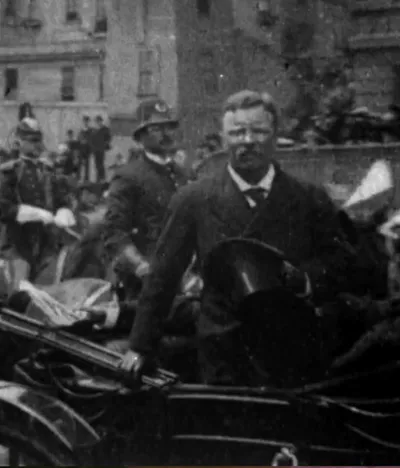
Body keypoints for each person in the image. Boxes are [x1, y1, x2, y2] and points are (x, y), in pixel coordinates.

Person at [120, 89, 365, 384]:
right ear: (224, 138)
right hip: (224, 350)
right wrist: (139, 346)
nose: (247, 141)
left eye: (258, 131)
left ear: (275, 134)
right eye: (237, 132)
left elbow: (343, 263)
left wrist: (305, 279)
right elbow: (162, 276)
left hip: (292, 348)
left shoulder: (308, 198)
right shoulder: (194, 199)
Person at [101, 98, 189, 295]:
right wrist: (141, 267)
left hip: (182, 276)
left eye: (169, 127)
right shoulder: (128, 176)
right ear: (140, 138)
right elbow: (114, 233)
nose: (166, 134)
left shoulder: (183, 175)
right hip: (142, 282)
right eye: (156, 129)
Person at [0, 118, 76, 294]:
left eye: (38, 140)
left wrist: (64, 211)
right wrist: (37, 214)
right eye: (32, 141)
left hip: (46, 241)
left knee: (57, 284)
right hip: (16, 242)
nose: (37, 145)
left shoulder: (48, 171)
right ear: (19, 142)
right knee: (19, 291)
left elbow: (64, 199)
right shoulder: (8, 172)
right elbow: (3, 207)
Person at [91, 115, 112, 183]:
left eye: (99, 121)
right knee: (97, 164)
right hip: (95, 150)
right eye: (97, 121)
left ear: (101, 121)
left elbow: (108, 138)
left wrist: (105, 144)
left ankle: (102, 178)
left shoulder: (105, 129)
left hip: (101, 149)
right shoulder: (94, 130)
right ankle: (98, 178)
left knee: (101, 164)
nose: (98, 122)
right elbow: (92, 140)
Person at [77, 115, 93, 183]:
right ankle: (79, 178)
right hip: (81, 149)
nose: (85, 122)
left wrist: (87, 142)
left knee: (87, 165)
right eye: (84, 121)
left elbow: (92, 140)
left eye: (86, 121)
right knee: (80, 164)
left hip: (87, 149)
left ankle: (86, 179)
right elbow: (79, 139)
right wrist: (81, 141)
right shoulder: (81, 131)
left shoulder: (90, 130)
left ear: (88, 122)